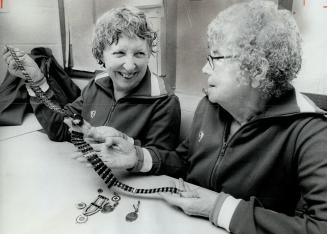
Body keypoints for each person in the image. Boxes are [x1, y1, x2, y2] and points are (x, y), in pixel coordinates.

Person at [78, 1, 327, 233]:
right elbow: (185, 161)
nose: (205, 68)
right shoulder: (210, 107)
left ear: (257, 68)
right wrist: (136, 156)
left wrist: (218, 208)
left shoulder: (312, 132)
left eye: (215, 58)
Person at [2, 6, 181, 160]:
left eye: (139, 54)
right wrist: (36, 80)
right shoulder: (96, 86)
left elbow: (165, 161)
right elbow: (60, 130)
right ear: (100, 55)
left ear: (149, 54)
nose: (129, 65)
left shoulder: (164, 100)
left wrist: (126, 145)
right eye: (119, 53)